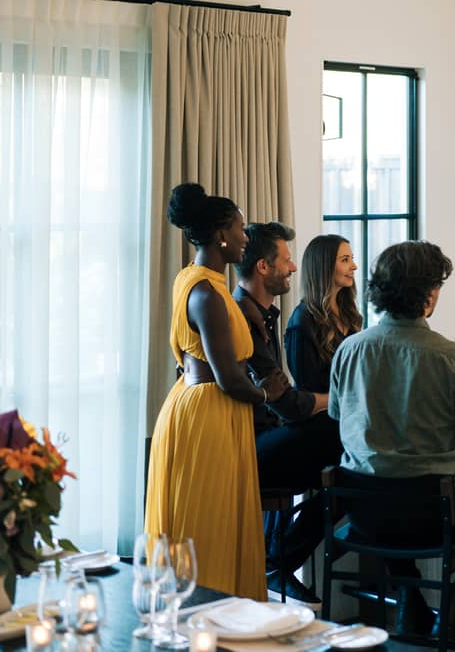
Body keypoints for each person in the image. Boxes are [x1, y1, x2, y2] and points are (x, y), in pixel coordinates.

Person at [328, 241, 455, 641]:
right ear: (429, 293)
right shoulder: (451, 357)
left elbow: (341, 423)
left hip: (364, 514)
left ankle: (410, 601)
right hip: (435, 516)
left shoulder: (349, 351)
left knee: (391, 489)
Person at [145, 183, 290, 601]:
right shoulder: (207, 292)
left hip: (202, 404)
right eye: (241, 229)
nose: (247, 237)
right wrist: (268, 395)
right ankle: (207, 613)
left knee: (216, 517)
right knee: (207, 520)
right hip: (209, 411)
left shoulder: (195, 280)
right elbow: (228, 377)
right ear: (221, 235)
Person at [232, 222, 340, 604]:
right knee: (347, 444)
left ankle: (278, 561)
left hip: (267, 434)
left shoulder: (263, 313)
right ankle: (278, 563)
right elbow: (289, 404)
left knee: (353, 472)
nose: (293, 267)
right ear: (264, 267)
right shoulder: (241, 318)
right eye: (287, 259)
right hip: (245, 448)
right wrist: (341, 398)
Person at [284, 234, 363, 396]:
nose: (354, 266)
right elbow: (306, 390)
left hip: (347, 416)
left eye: (352, 258)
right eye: (345, 260)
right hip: (318, 419)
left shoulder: (349, 313)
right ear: (324, 266)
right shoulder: (302, 321)